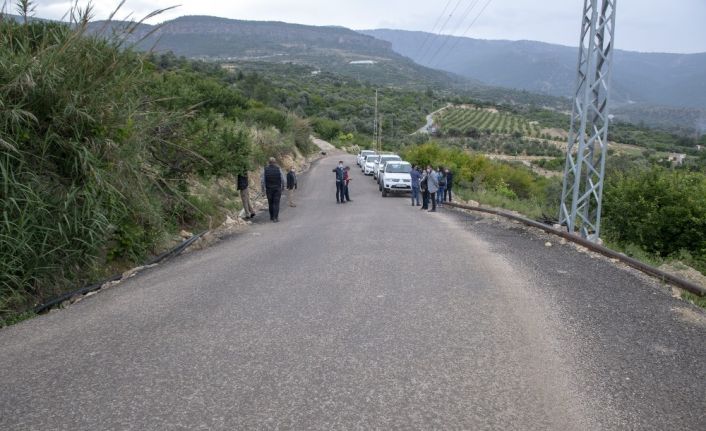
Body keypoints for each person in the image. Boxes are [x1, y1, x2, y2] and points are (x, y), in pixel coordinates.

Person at [260, 157, 286, 222]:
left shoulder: (265, 170)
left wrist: (263, 190)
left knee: (270, 203)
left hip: (269, 189)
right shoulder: (278, 169)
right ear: (275, 162)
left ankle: (271, 217)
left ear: (269, 162)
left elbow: (262, 181)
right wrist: (283, 187)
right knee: (276, 203)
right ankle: (276, 218)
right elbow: (283, 179)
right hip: (277, 189)